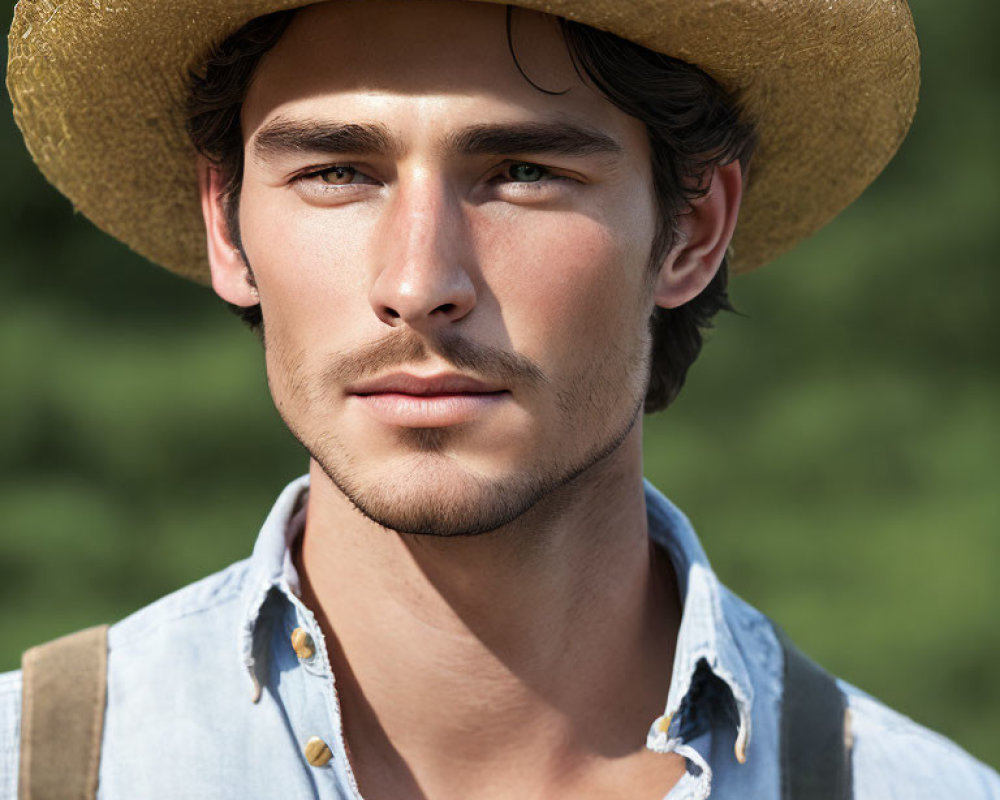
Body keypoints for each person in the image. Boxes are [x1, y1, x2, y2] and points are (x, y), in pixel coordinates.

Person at [1, 0, 996, 798]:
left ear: (691, 230)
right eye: (339, 171)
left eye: (522, 173)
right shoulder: (29, 767)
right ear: (228, 228)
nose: (420, 279)